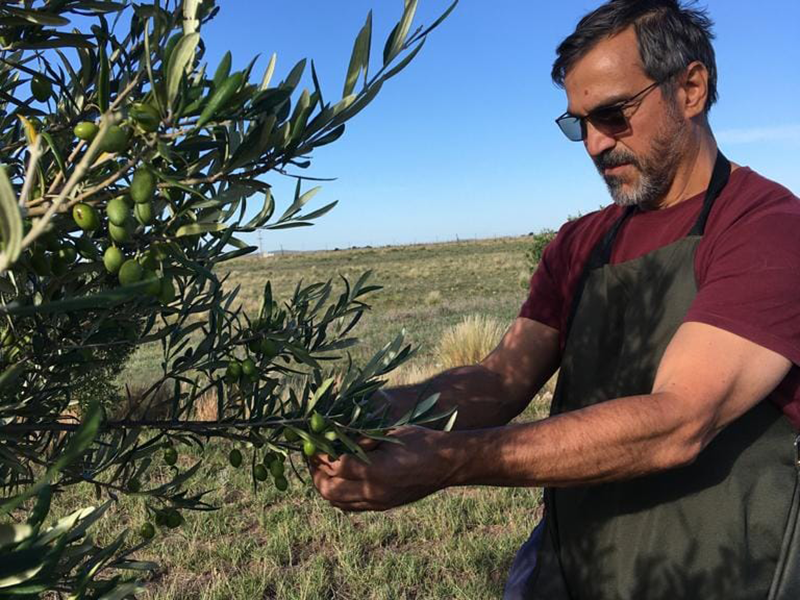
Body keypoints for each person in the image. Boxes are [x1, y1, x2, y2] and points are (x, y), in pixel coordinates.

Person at [310, 1, 800, 598]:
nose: (594, 144)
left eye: (613, 115)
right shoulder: (579, 243)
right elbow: (498, 381)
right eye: (578, 124)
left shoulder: (766, 228)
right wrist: (379, 410)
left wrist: (448, 459)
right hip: (578, 566)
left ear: (690, 89)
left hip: (720, 576)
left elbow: (680, 420)